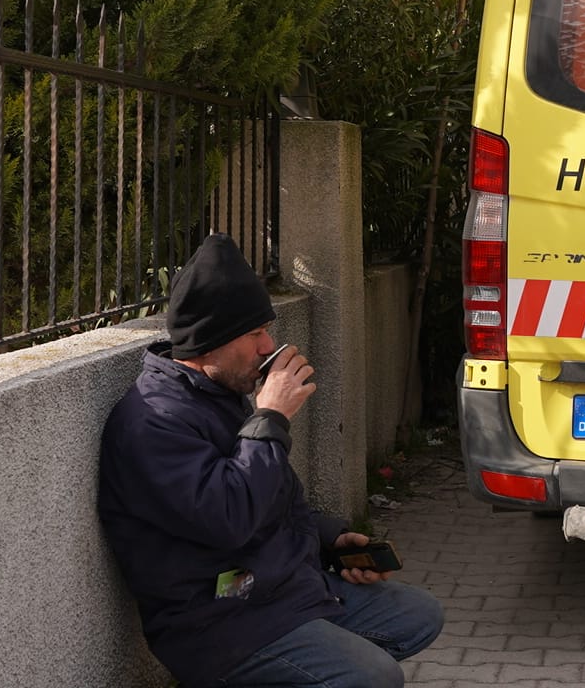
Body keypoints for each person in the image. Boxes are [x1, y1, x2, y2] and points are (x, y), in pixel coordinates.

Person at [98, 234, 443, 688]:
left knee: (418, 616)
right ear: (208, 344)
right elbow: (228, 519)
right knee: (373, 676)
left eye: (266, 330)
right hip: (221, 622)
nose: (269, 346)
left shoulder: (223, 393)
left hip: (278, 590)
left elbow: (280, 500)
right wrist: (271, 419)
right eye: (255, 333)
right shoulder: (153, 422)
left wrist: (331, 542)